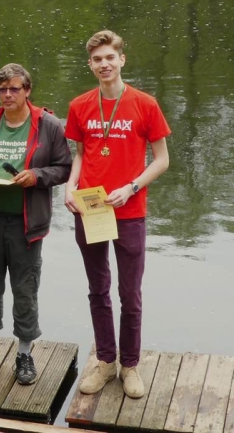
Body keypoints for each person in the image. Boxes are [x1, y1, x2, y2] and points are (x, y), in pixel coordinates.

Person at [64, 30, 170, 399]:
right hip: (90, 207)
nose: (104, 64)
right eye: (97, 59)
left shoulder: (145, 104)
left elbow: (162, 159)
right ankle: (106, 362)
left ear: (122, 59)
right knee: (98, 289)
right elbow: (79, 153)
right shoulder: (79, 105)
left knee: (131, 293)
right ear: (90, 65)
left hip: (129, 210)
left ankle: (130, 366)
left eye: (110, 57)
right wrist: (68, 187)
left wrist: (132, 187)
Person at [0, 64, 72, 385]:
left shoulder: (48, 125)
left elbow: (64, 168)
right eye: (2, 89)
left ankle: (24, 353)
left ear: (27, 90)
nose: (7, 95)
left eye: (14, 88)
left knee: (24, 289)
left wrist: (36, 176)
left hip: (27, 224)